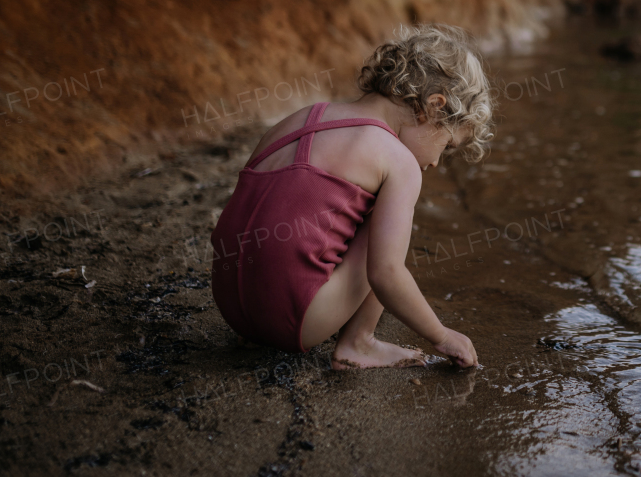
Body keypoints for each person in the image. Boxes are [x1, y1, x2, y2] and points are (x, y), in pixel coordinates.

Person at [210, 24, 494, 369]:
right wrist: (441, 335)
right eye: (446, 145)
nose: (435, 162)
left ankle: (308, 315)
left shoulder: (300, 117)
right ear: (433, 107)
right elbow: (385, 273)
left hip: (230, 307)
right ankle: (359, 342)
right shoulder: (397, 160)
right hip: (295, 322)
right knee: (388, 213)